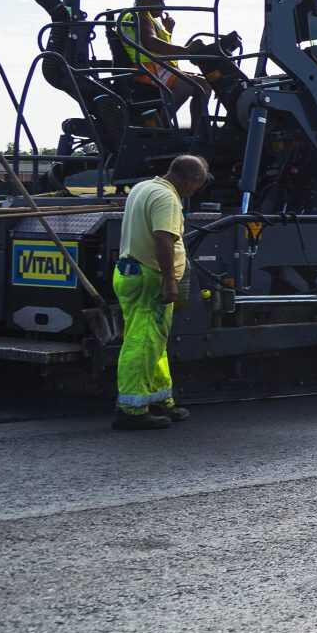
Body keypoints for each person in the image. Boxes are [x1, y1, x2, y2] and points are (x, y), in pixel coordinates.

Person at [113, 154, 209, 430]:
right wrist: (169, 281)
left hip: (131, 272)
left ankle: (158, 399)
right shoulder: (167, 198)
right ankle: (131, 410)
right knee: (142, 344)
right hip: (150, 278)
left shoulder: (144, 187)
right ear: (189, 180)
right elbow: (163, 240)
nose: (196, 191)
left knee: (153, 342)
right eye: (197, 185)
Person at [117, 0, 206, 128]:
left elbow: (157, 45)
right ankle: (161, 126)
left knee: (203, 85)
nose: (163, 6)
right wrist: (186, 50)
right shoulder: (141, 15)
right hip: (146, 68)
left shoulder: (146, 18)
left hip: (155, 66)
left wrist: (168, 30)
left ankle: (198, 132)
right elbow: (151, 43)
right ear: (145, 2)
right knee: (187, 85)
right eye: (159, 1)